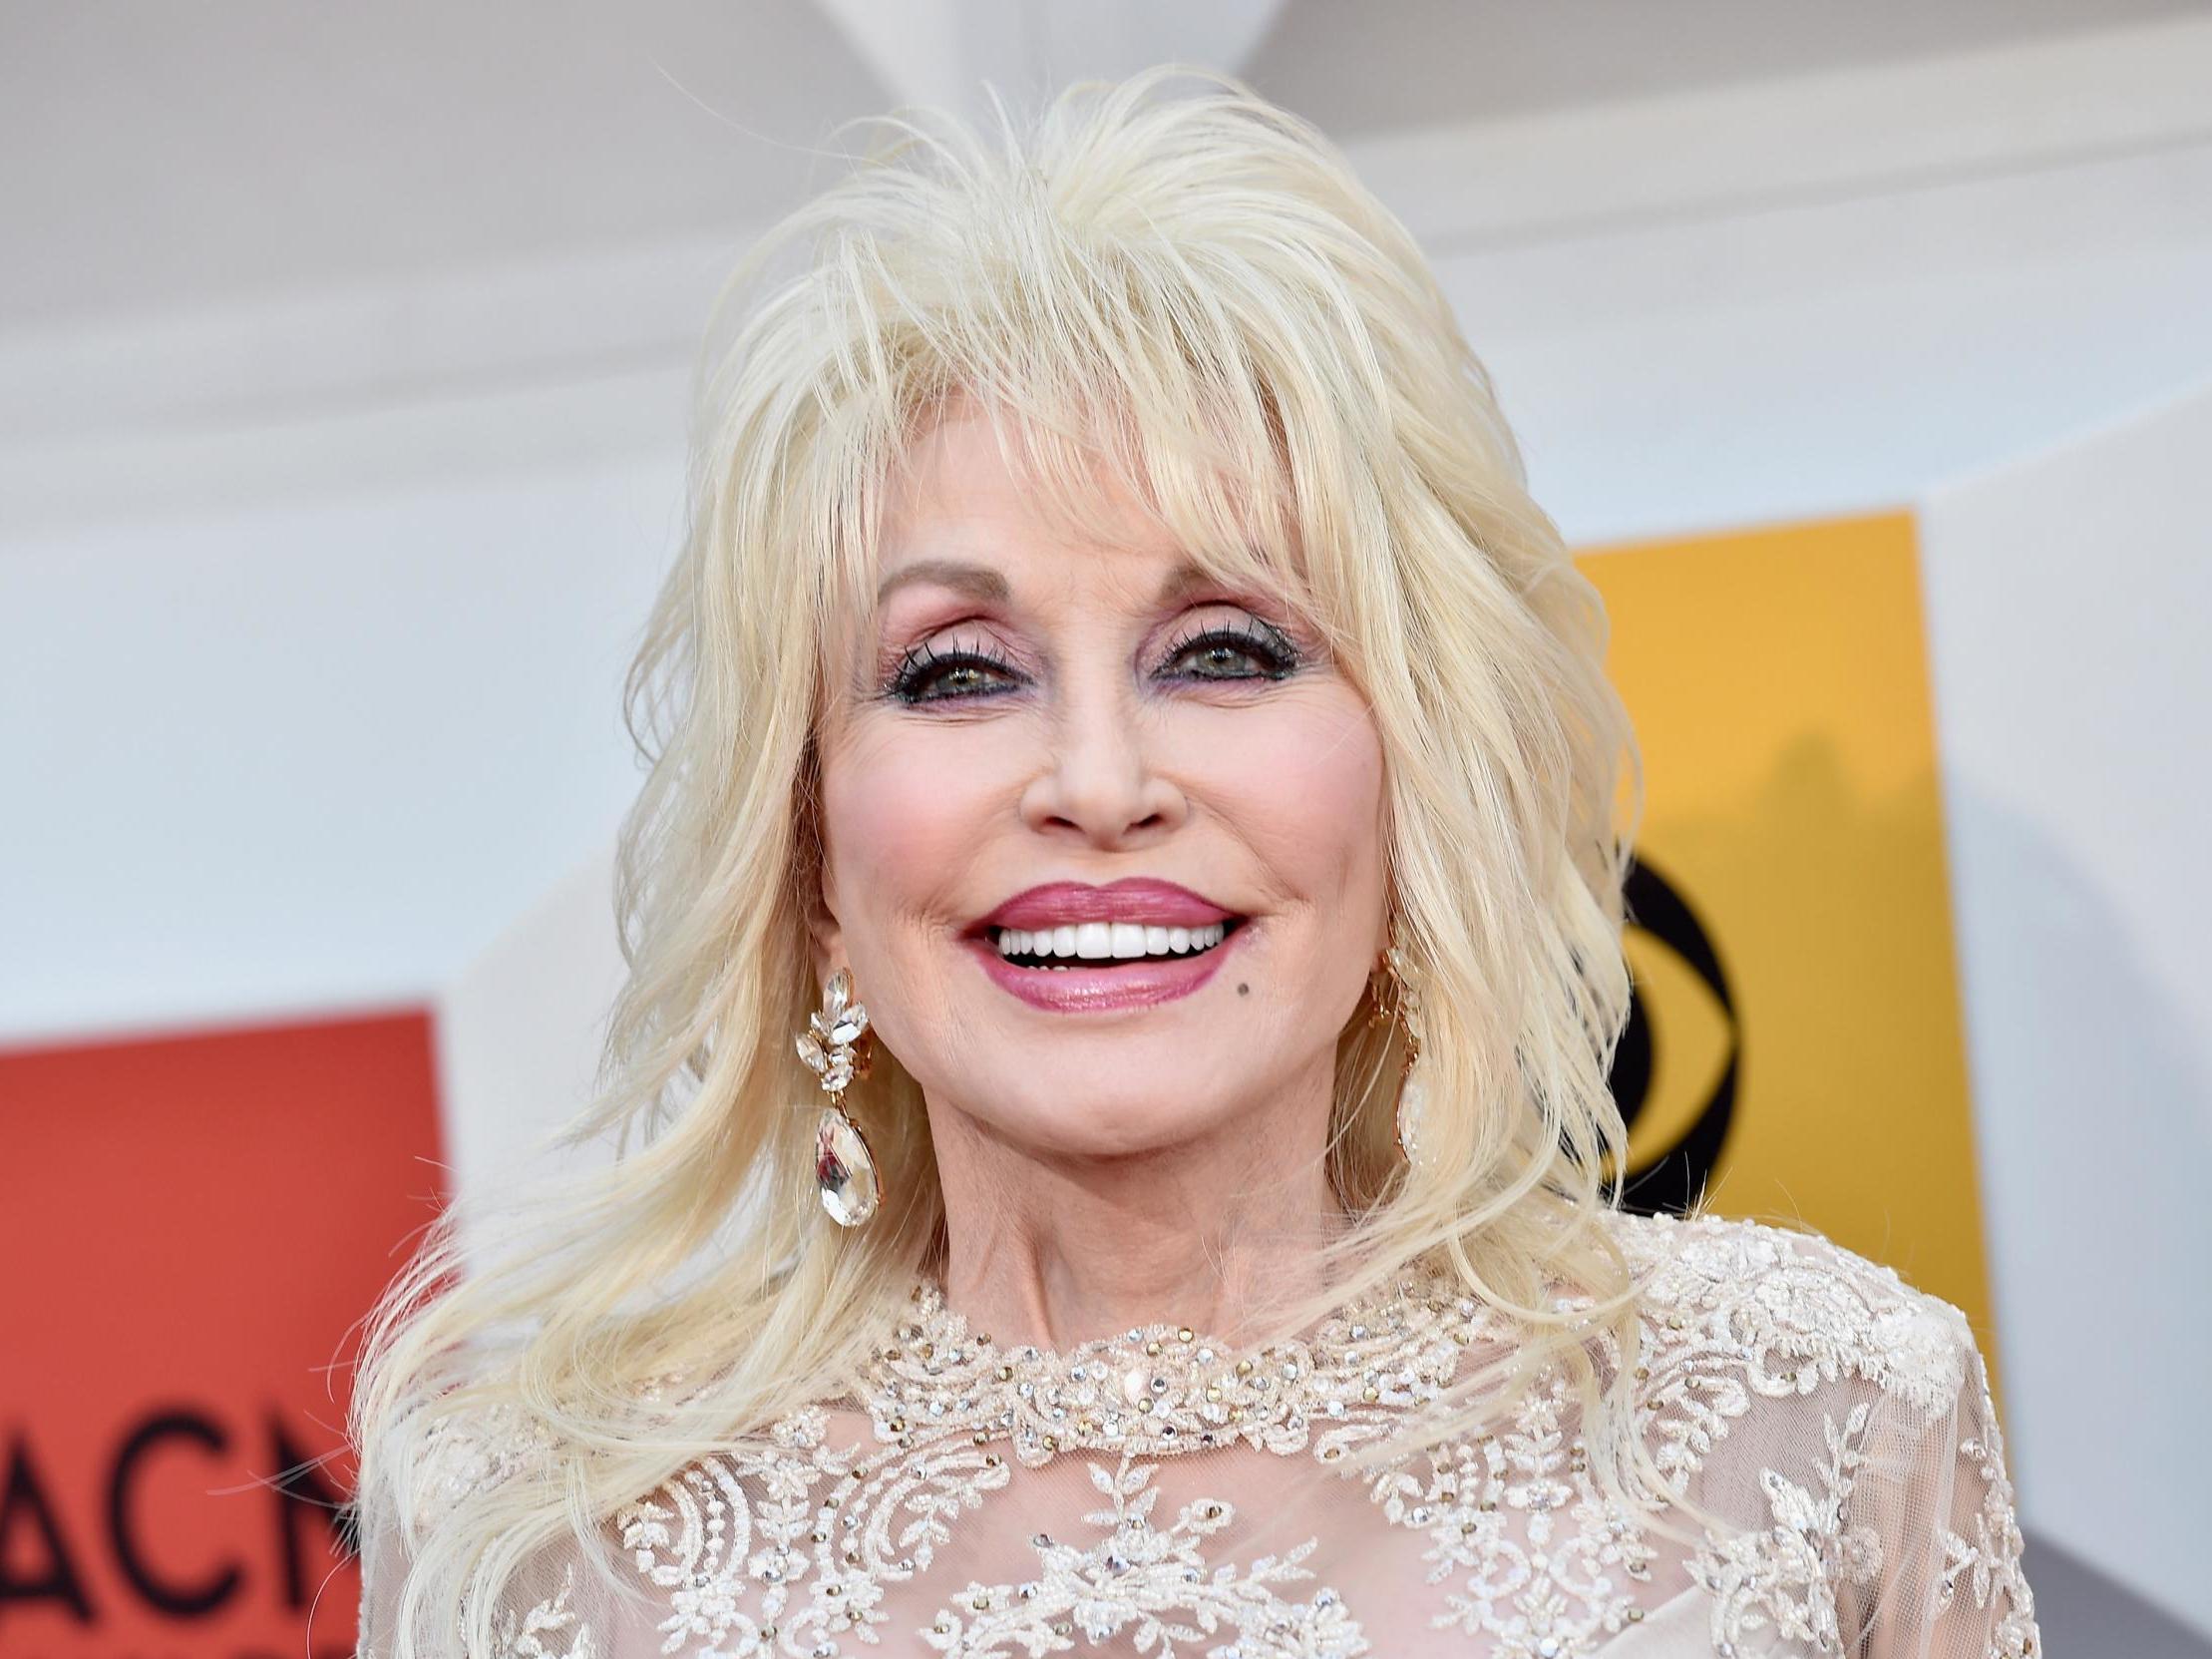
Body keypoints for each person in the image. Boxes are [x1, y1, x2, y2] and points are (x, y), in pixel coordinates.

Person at [349, 69, 2037, 1659]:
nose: (1097, 782)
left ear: (1413, 780)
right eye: (958, 672)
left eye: (1224, 651)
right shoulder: (543, 1523)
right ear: (807, 861)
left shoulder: (1809, 1427)